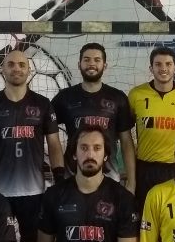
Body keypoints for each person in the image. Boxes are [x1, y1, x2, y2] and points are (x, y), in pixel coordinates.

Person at [0, 49, 65, 242]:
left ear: (29, 70)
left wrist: (59, 178)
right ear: (2, 69)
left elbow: (54, 144)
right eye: (11, 64)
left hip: (34, 192)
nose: (17, 69)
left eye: (22, 65)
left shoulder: (43, 104)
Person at [51, 42, 136, 193]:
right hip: (72, 177)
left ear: (105, 65)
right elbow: (47, 131)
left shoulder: (118, 98)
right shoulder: (65, 97)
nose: (91, 64)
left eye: (97, 60)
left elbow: (126, 142)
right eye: (87, 59)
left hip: (109, 176)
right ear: (79, 64)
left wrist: (132, 181)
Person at [128, 46, 175, 210]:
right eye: (158, 64)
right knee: (145, 216)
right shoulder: (136, 95)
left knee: (174, 218)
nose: (163, 68)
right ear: (151, 68)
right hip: (145, 168)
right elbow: (125, 131)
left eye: (168, 64)